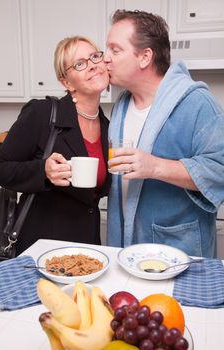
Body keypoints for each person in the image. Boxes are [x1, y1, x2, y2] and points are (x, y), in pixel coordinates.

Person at [104, 9, 224, 257]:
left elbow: (220, 169)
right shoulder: (121, 106)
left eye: (115, 50)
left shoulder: (197, 103)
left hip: (177, 251)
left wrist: (155, 167)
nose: (105, 58)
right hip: (125, 250)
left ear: (145, 57)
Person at [0, 36, 110, 254]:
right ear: (66, 82)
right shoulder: (43, 113)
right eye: (80, 63)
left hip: (88, 248)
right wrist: (43, 171)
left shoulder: (109, 127)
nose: (92, 64)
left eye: (95, 56)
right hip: (43, 247)